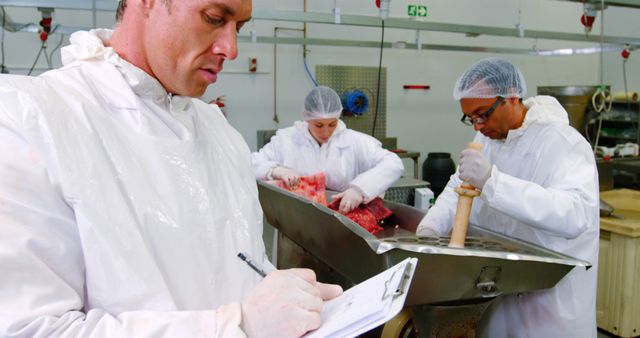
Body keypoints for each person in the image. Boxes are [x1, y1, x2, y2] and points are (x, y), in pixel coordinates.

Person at [0, 0, 343, 337]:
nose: (231, 48)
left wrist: (285, 300)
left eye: (239, 27)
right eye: (213, 17)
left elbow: (237, 265)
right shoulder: (30, 119)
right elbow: (30, 328)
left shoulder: (217, 130)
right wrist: (236, 327)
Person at [416, 58, 599, 337]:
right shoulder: (489, 141)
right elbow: (459, 188)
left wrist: (493, 182)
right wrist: (431, 227)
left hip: (548, 304)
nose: (477, 126)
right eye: (470, 118)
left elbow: (575, 215)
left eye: (482, 114)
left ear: (511, 97)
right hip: (499, 290)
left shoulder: (564, 144)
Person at [252, 86, 404, 213]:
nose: (326, 132)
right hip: (295, 223)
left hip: (341, 223)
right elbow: (249, 164)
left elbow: (393, 163)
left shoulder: (353, 141)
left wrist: (360, 189)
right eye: (319, 125)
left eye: (332, 124)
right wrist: (275, 170)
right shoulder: (286, 140)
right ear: (307, 118)